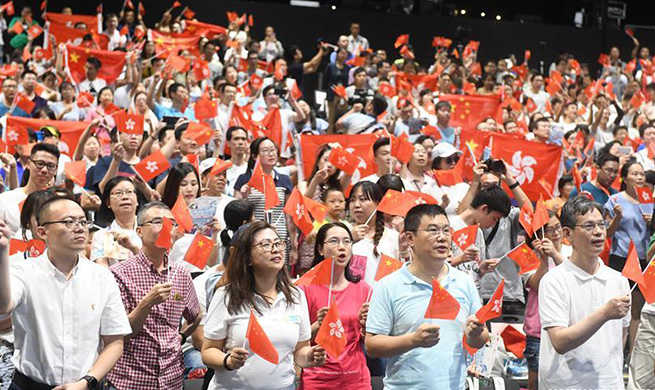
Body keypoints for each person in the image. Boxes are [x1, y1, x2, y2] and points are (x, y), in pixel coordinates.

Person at [0, 196, 132, 389]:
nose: (79, 227)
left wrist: (87, 382)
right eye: (68, 222)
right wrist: (3, 252)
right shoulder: (24, 271)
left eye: (83, 221)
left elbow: (114, 342)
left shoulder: (102, 277)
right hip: (29, 385)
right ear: (42, 231)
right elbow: (4, 306)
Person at [365, 204, 489, 389]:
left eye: (446, 230)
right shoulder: (388, 285)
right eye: (432, 230)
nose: (442, 237)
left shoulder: (464, 282)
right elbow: (372, 345)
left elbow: (480, 338)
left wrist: (476, 334)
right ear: (410, 238)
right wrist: (413, 340)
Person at [201, 221, 326, 390]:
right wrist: (228, 361)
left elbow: (300, 351)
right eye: (265, 244)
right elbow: (208, 351)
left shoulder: (295, 295)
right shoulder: (227, 295)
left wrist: (310, 356)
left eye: (278, 242)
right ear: (248, 258)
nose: (275, 249)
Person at [106, 202, 201, 390]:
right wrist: (147, 303)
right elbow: (120, 333)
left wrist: (180, 336)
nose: (166, 228)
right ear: (139, 231)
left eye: (172, 223)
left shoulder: (181, 274)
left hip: (172, 379)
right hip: (130, 380)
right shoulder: (118, 274)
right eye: (158, 222)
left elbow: (196, 315)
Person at [538, 196, 630, 389]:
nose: (598, 232)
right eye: (589, 226)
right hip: (564, 384)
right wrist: (604, 313)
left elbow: (621, 335)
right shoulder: (554, 280)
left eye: (601, 225)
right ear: (567, 234)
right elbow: (560, 342)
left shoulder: (619, 280)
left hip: (609, 383)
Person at [300, 222, 371, 389]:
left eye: (347, 241)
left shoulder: (364, 289)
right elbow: (295, 341)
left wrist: (366, 327)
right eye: (333, 241)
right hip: (317, 380)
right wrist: (318, 325)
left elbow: (369, 342)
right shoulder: (304, 288)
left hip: (356, 380)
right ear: (320, 249)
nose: (342, 247)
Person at [605, 160, 650, 352]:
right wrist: (617, 217)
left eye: (642, 174)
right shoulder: (615, 199)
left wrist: (652, 221)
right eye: (635, 174)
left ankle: (632, 356)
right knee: (621, 308)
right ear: (624, 178)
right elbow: (607, 233)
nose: (640, 177)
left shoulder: (649, 199)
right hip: (621, 259)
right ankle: (616, 352)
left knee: (638, 310)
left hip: (644, 260)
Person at [522, 211, 570, 390]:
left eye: (558, 227)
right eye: (550, 230)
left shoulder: (572, 251)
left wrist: (556, 256)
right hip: (538, 330)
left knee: (562, 381)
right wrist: (544, 259)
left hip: (566, 327)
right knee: (535, 383)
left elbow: (572, 278)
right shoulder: (529, 255)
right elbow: (536, 284)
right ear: (539, 234)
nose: (556, 233)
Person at [0, 143, 59, 235]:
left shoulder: (57, 205)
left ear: (55, 170)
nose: (44, 170)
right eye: (40, 164)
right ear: (28, 164)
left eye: (50, 166)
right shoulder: (5, 199)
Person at [349, 181, 400, 286]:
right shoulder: (341, 234)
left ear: (378, 203)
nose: (356, 205)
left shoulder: (394, 237)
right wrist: (349, 240)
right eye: (352, 200)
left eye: (363, 199)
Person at [91, 177, 142, 266]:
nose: (125, 197)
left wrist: (134, 249)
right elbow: (102, 272)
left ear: (137, 200)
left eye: (129, 192)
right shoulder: (101, 236)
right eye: (118, 193)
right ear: (108, 203)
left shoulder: (149, 229)